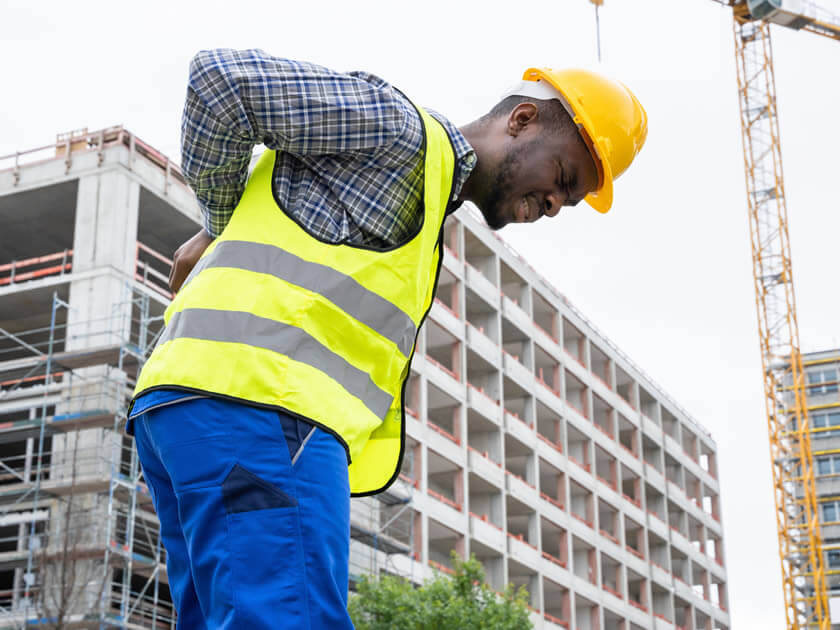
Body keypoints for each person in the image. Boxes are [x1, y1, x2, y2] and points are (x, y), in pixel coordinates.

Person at [127, 48, 647, 629]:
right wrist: (216, 226)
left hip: (187, 410)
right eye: (564, 177)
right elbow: (219, 83)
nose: (553, 204)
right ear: (522, 120)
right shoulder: (401, 135)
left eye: (566, 204)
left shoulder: (425, 203)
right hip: (262, 411)